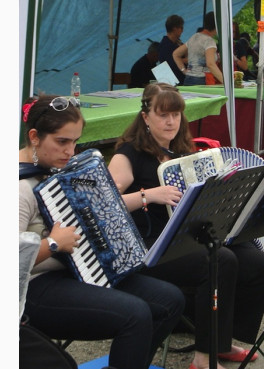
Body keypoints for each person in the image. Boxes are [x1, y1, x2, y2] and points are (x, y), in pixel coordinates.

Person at [108, 83, 264, 369]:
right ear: (145, 116)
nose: (171, 121)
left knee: (263, 266)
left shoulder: (181, 152)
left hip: (188, 238)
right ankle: (203, 356)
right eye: (162, 114)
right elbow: (105, 204)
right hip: (150, 245)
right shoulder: (129, 154)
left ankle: (220, 341)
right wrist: (147, 195)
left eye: (176, 114)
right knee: (220, 260)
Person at [19, 94, 185, 369]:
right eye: (62, 142)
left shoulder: (59, 170)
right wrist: (53, 244)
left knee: (169, 300)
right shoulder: (18, 186)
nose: (70, 152)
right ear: (35, 136)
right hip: (34, 288)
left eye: (75, 142)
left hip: (81, 270)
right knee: (136, 314)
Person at [173, 11, 223, 86]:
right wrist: (226, 82)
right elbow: (210, 64)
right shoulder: (209, 41)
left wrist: (184, 71)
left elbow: (176, 54)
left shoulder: (194, 37)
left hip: (188, 78)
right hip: (202, 80)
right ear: (217, 25)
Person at [158, 14, 186, 84]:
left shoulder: (177, 43)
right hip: (174, 84)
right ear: (174, 28)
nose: (182, 30)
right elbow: (174, 64)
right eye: (181, 28)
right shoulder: (165, 46)